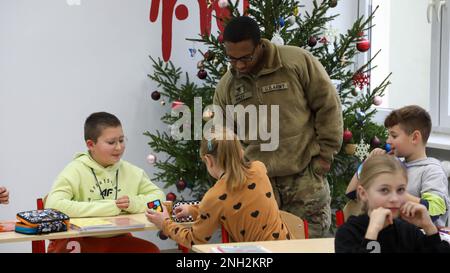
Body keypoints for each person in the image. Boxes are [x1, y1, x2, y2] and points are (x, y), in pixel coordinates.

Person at [213, 16, 343, 238]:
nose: (240, 65)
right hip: (256, 184)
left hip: (304, 176)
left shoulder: (296, 62)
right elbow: (221, 133)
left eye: (246, 57)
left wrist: (324, 157)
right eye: (232, 59)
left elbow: (328, 106)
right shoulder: (228, 85)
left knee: (308, 247)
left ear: (260, 45)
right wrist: (231, 171)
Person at [145, 128, 290, 249]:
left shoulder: (215, 196)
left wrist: (164, 222)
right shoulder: (259, 169)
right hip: (289, 247)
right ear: (239, 151)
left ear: (208, 160)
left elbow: (194, 240)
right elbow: (234, 205)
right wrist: (193, 210)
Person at [45, 112, 165, 252]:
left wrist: (133, 203)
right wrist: (110, 207)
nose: (119, 147)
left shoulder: (133, 172)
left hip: (118, 238)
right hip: (79, 240)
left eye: (121, 140)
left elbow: (159, 200)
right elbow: (53, 206)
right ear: (91, 144)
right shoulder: (75, 170)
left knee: (150, 250)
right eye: (111, 142)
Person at [345, 105, 449, 226]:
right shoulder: (395, 166)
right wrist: (368, 163)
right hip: (394, 239)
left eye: (394, 136)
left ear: (415, 137)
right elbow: (352, 194)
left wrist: (396, 193)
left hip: (421, 241)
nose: (388, 141)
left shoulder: (432, 170)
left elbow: (434, 210)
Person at [335, 154, 450, 253]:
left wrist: (429, 227)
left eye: (400, 190)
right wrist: (372, 232)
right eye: (384, 190)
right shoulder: (349, 233)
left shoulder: (408, 232)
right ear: (363, 194)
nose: (395, 198)